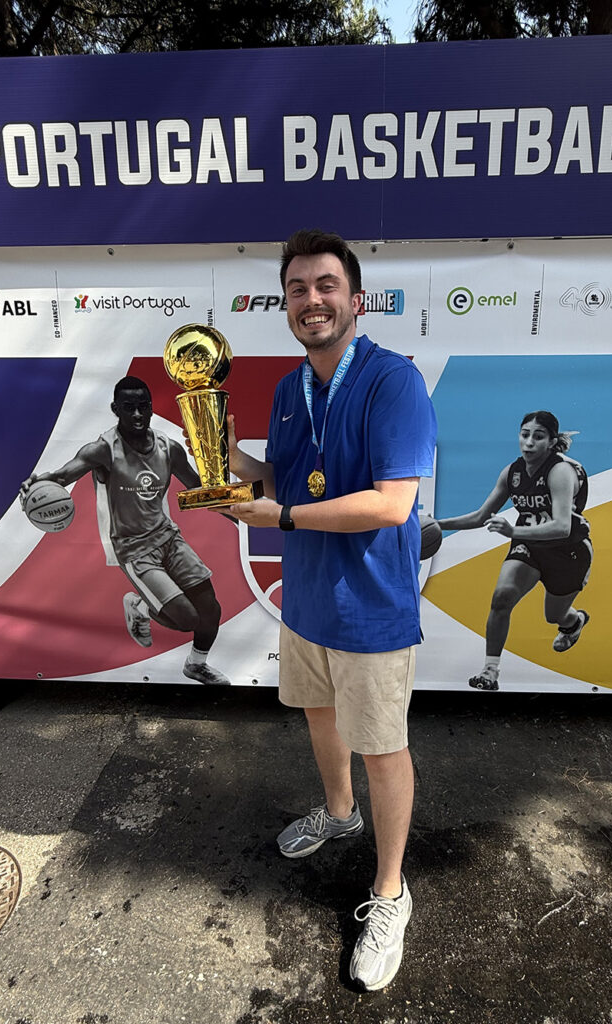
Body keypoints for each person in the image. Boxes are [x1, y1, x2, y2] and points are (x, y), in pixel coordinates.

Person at [225, 229, 437, 991]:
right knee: (320, 717)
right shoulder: (290, 389)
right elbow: (278, 474)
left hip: (372, 610)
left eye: (324, 286)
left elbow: (390, 504)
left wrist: (277, 518)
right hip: (307, 600)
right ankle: (339, 814)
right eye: (296, 290)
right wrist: (215, 457)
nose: (310, 301)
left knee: (382, 746)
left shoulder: (393, 382)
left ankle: (390, 892)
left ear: (354, 299)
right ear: (284, 305)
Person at [19, 376, 229, 686]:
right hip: (133, 548)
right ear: (115, 409)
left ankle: (196, 665)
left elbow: (199, 489)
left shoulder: (168, 448)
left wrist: (244, 513)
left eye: (143, 407)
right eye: (129, 408)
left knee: (211, 609)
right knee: (187, 619)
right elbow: (63, 474)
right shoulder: (102, 450)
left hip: (168, 536)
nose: (137, 415)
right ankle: (138, 605)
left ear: (151, 408)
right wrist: (37, 483)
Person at [437, 410, 592, 692]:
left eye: (538, 436)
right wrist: (436, 524)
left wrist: (512, 531)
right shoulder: (512, 472)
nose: (529, 442)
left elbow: (561, 527)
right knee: (502, 597)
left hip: (567, 550)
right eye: (525, 435)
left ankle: (574, 622)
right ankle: (490, 670)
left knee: (554, 616)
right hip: (530, 546)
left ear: (551, 441)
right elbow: (480, 516)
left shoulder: (561, 471)